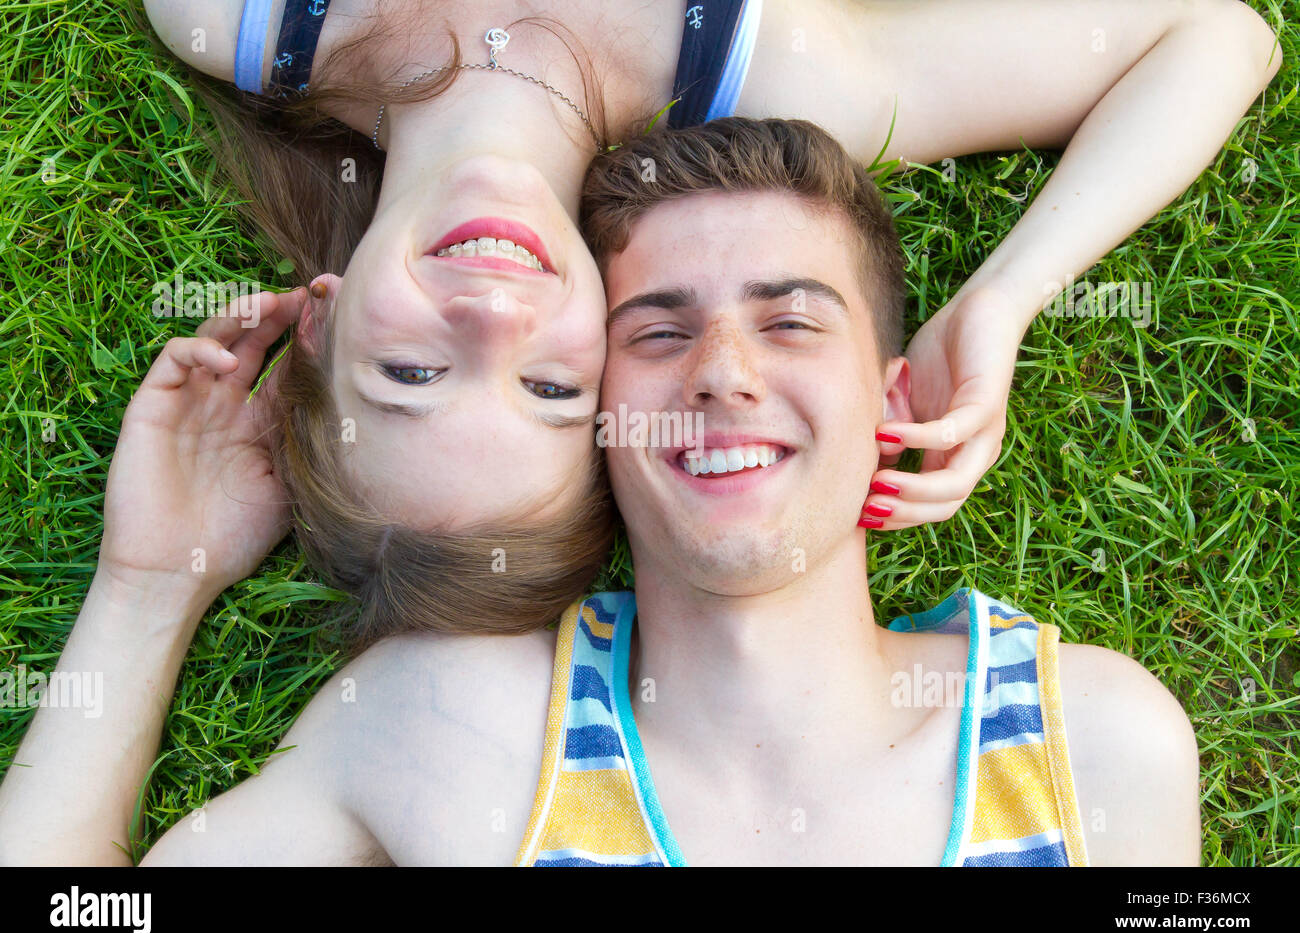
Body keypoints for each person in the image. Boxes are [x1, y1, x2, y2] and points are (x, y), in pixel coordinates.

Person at [0, 117, 1200, 865]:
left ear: (891, 402)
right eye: (659, 331)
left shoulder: (1096, 745)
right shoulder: (447, 728)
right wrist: (149, 587)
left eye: (789, 320)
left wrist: (1002, 300)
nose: (725, 374)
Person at [136, 0, 1283, 641]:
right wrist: (1002, 296)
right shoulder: (777, 69)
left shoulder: (230, 11)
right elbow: (1213, 36)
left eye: (412, 370)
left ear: (321, 324)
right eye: (548, 390)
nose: (490, 315)